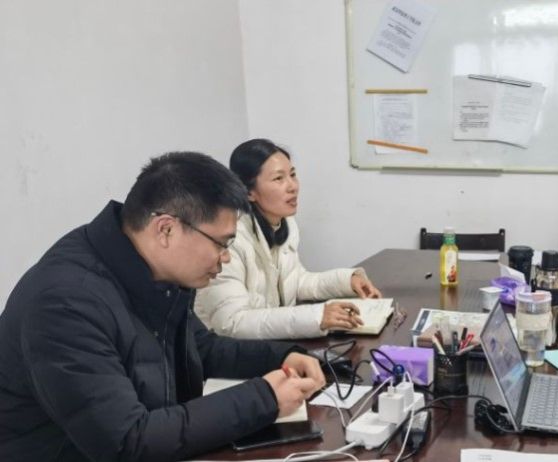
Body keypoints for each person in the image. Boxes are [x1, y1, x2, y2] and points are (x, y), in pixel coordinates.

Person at [0, 152, 326, 461]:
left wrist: (282, 356)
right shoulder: (66, 304)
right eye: (221, 244)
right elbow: (127, 442)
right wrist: (264, 398)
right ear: (166, 229)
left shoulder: (148, 268)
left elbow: (200, 347)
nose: (226, 257)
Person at [195, 139, 381, 340]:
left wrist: (347, 281)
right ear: (248, 192)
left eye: (292, 175)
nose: (293, 186)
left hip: (266, 344)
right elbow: (232, 323)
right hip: (220, 351)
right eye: (278, 179)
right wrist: (316, 316)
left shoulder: (285, 223)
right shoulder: (229, 239)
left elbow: (297, 282)